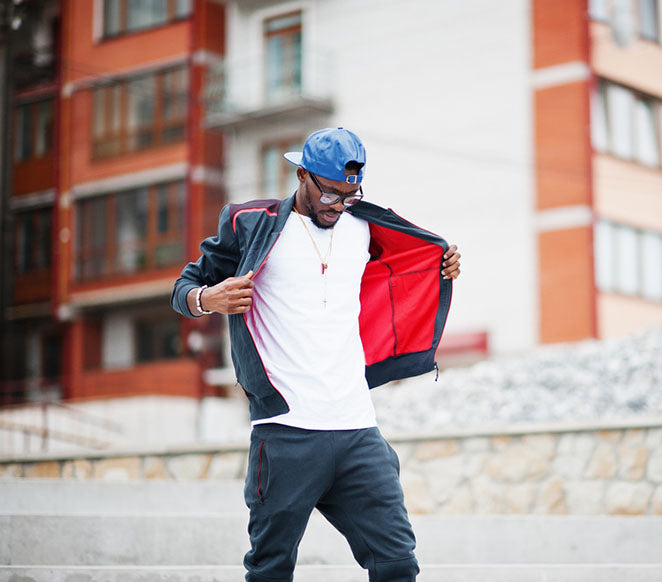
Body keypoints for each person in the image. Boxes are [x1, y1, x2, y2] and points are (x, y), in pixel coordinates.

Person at [171, 127, 460, 582]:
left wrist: (440, 263)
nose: (338, 205)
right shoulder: (250, 222)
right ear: (302, 175)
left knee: (398, 563)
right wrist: (209, 299)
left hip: (356, 429)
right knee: (271, 570)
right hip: (286, 432)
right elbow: (184, 286)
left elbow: (411, 259)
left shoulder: (364, 224)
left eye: (349, 194)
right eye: (329, 194)